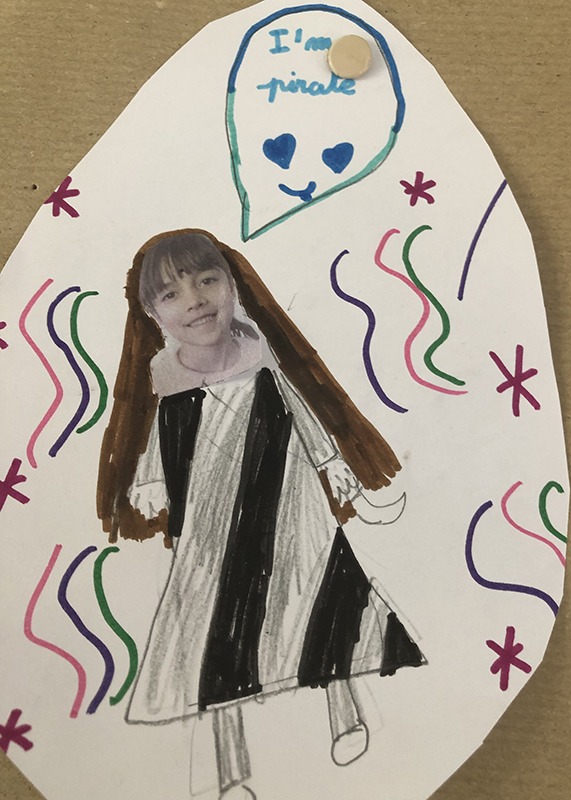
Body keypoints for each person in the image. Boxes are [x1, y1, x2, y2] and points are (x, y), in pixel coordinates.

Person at [97, 229, 426, 799]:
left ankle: (344, 710)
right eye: (171, 294)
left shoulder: (258, 350)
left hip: (291, 498)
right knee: (211, 621)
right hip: (210, 516)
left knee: (323, 589)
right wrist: (150, 478)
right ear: (151, 312)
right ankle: (231, 771)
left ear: (232, 284)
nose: (195, 300)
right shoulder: (162, 373)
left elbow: (296, 407)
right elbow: (159, 434)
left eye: (207, 280)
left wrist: (330, 459)